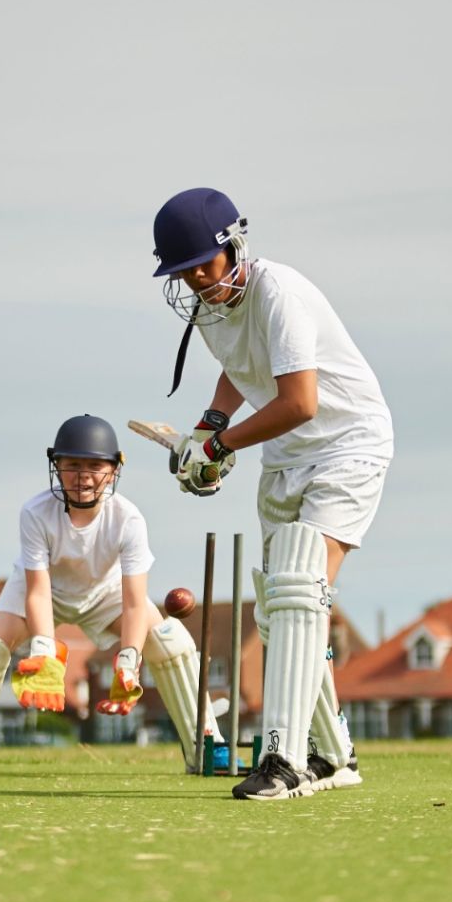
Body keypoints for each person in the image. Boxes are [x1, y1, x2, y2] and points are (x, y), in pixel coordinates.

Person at [150, 187, 394, 800]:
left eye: (203, 264)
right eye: (183, 272)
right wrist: (208, 427)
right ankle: (334, 755)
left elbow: (299, 402)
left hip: (347, 443)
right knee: (278, 607)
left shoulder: (277, 293)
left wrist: (220, 446)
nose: (197, 280)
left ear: (233, 246)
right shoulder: (212, 307)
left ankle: (283, 760)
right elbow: (242, 367)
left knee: (299, 591)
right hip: (286, 457)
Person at [0, 415, 221, 775]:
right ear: (57, 466)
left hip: (106, 592)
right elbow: (37, 591)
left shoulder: (128, 519)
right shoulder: (35, 512)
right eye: (73, 465)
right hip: (44, 590)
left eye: (95, 466)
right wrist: (44, 651)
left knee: (170, 642)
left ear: (113, 470)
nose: (83, 476)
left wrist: (129, 662)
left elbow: (133, 602)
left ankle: (208, 745)